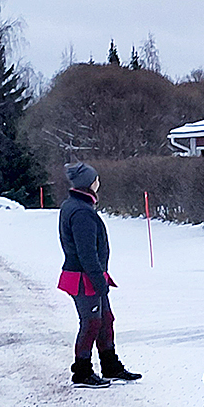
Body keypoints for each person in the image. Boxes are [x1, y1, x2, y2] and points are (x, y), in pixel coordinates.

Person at [57, 163, 140, 387]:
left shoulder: (77, 205)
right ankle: (82, 372)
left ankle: (110, 366)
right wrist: (98, 279)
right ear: (89, 183)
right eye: (96, 179)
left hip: (91, 275)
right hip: (84, 277)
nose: (99, 182)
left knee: (106, 320)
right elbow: (86, 252)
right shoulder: (81, 211)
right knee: (92, 322)